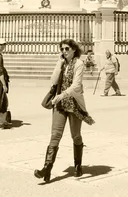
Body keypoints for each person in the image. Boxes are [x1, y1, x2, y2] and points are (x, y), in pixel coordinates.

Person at [34, 39, 94, 183]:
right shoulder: (62, 63)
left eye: (67, 49)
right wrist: (58, 64)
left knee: (76, 136)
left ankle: (78, 165)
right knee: (55, 135)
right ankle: (46, 168)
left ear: (74, 50)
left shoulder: (79, 64)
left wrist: (61, 95)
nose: (64, 51)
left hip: (74, 105)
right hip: (60, 105)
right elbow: (53, 81)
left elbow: (76, 86)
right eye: (62, 49)